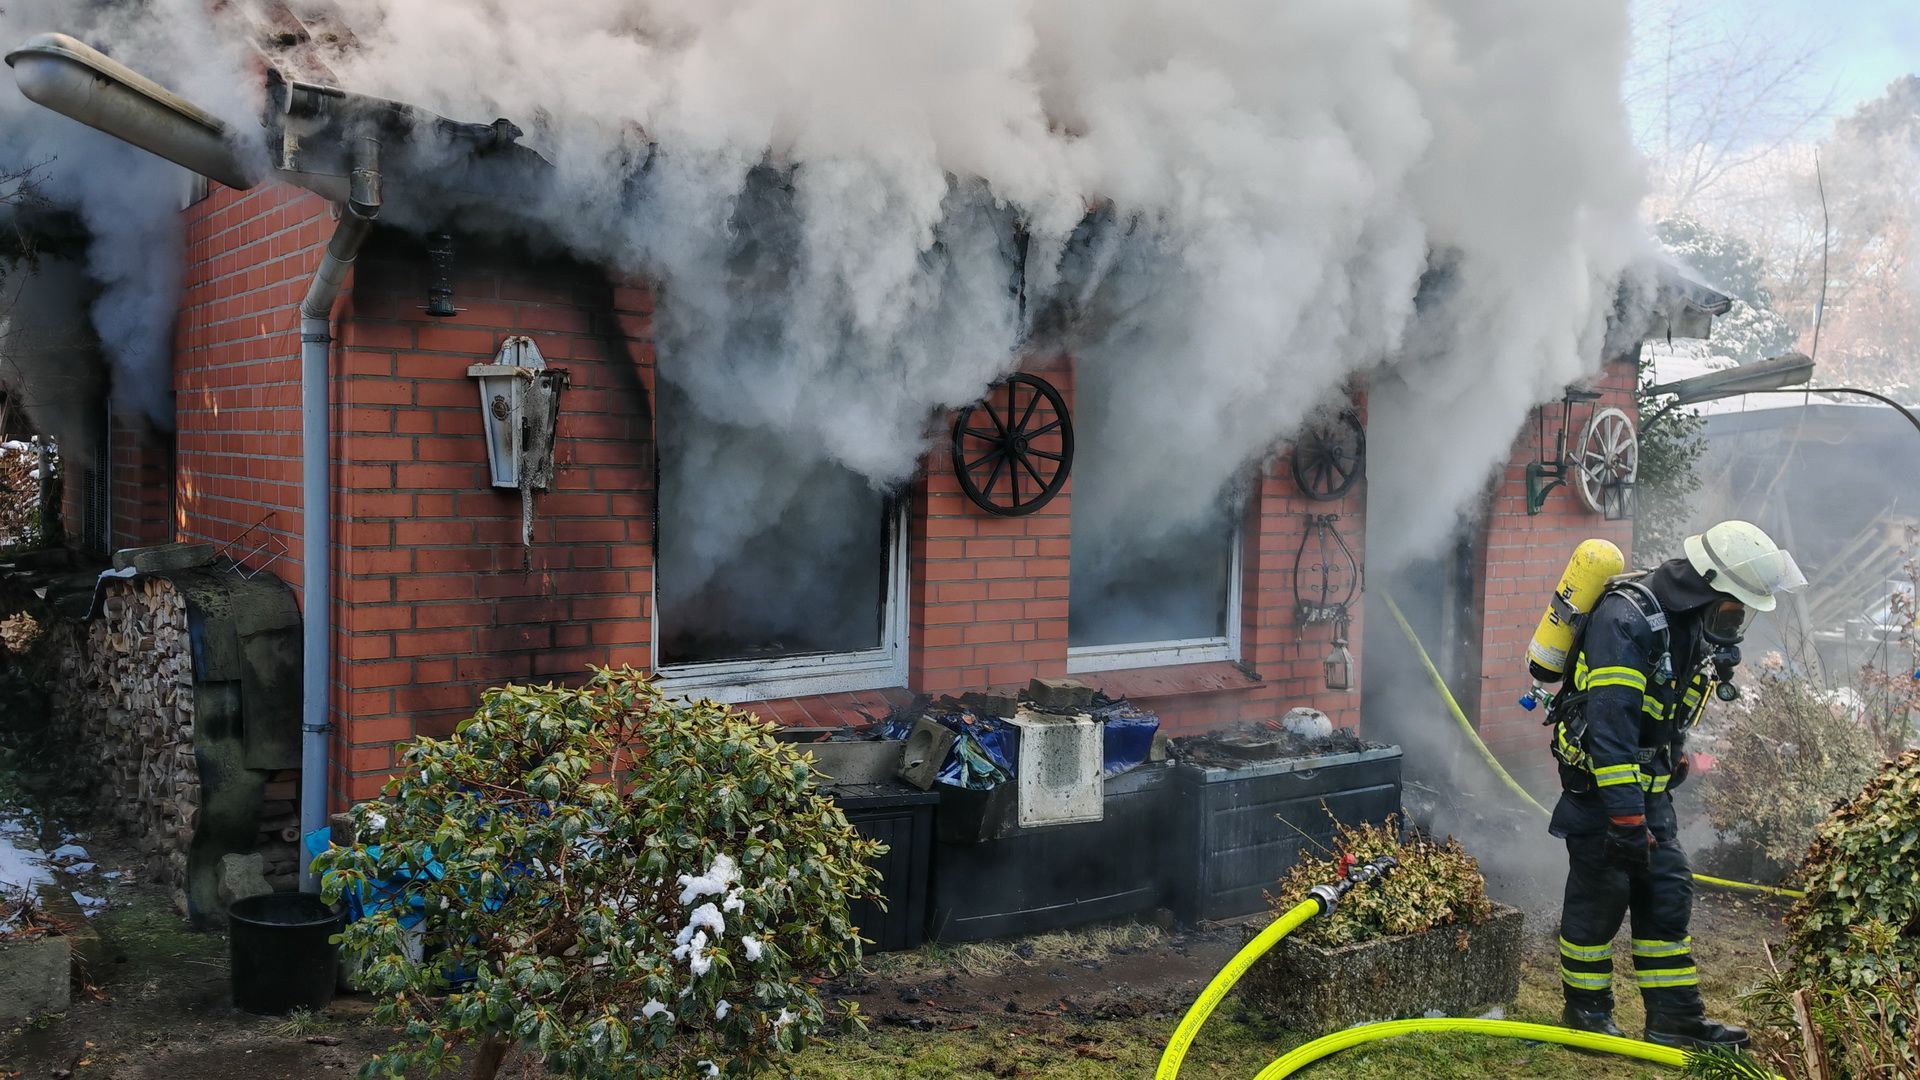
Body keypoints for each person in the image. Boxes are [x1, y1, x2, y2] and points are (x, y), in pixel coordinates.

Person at [1546, 520, 1806, 1050]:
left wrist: (1674, 753)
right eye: (1733, 607)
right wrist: (1624, 819)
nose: (1736, 620)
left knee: (1666, 891)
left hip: (1648, 787)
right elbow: (1611, 735)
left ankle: (1674, 1020)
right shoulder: (1625, 620)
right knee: (1601, 897)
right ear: (1705, 585)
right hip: (1602, 788)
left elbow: (1666, 707)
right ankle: (1586, 1017)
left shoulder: (1687, 620)